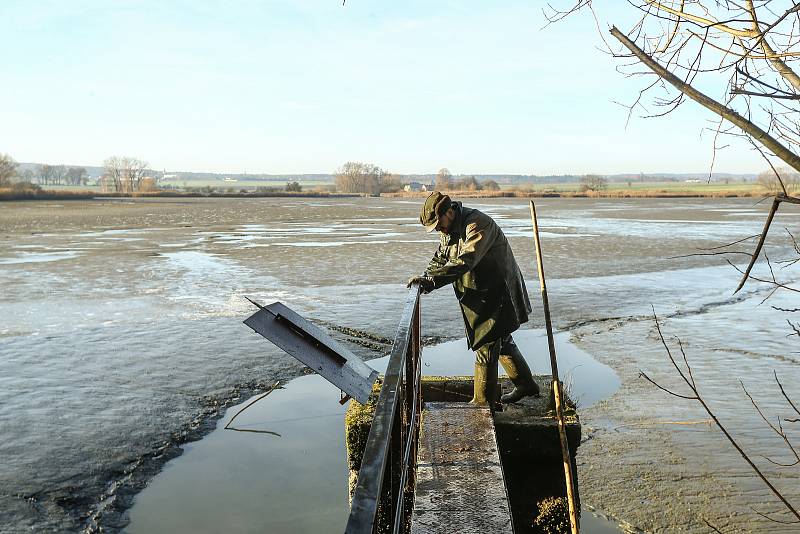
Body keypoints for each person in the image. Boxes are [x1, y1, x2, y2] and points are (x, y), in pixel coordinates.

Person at [407, 191, 540, 407]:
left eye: (438, 225)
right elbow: (442, 256)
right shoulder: (449, 228)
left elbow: (465, 261)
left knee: (487, 344)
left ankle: (482, 404)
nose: (438, 230)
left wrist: (432, 281)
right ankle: (526, 385)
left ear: (449, 212)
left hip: (498, 291)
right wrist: (425, 277)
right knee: (502, 340)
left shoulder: (477, 224)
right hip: (480, 292)